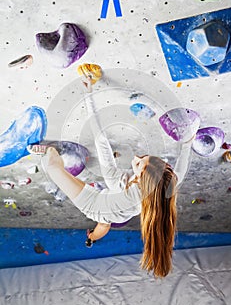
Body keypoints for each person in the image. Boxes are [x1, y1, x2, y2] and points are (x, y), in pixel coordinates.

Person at [31, 79, 197, 278]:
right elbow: (180, 168)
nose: (135, 158)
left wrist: (88, 96)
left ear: (139, 180)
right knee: (106, 225)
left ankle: (50, 151)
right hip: (120, 209)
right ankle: (91, 238)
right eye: (143, 158)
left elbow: (102, 142)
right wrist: (187, 142)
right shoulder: (163, 182)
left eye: (138, 164)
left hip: (96, 207)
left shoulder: (115, 180)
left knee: (52, 167)